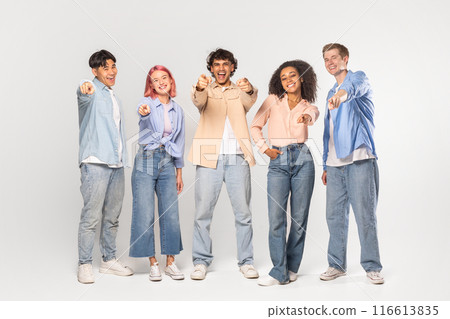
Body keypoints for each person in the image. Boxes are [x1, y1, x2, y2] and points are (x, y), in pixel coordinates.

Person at [188, 48, 259, 280]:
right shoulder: (205, 89)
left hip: (238, 157)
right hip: (209, 156)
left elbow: (251, 99)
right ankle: (200, 261)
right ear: (211, 68)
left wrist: (249, 88)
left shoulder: (239, 91)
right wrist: (199, 86)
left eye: (225, 64)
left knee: (243, 213)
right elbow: (197, 100)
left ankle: (246, 261)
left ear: (232, 67)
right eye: (217, 64)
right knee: (202, 213)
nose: (221, 68)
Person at [251, 60, 319, 286]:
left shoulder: (307, 105)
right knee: (276, 219)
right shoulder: (272, 101)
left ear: (302, 79)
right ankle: (278, 270)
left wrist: (308, 117)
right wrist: (264, 149)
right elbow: (255, 126)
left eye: (292, 76)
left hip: (303, 159)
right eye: (284, 78)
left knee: (299, 219)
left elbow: (313, 112)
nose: (288, 80)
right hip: (278, 160)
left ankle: (291, 267)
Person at [320, 43, 383, 284]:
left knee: (365, 215)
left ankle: (372, 266)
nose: (330, 62)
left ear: (345, 58)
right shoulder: (329, 93)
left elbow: (352, 89)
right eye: (326, 59)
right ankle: (336, 265)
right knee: (334, 217)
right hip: (335, 164)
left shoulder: (358, 78)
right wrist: (326, 164)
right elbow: (329, 131)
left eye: (334, 57)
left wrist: (340, 96)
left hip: (359, 160)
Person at [77, 50, 134, 284]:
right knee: (90, 217)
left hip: (116, 163)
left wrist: (121, 159)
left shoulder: (113, 96)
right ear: (95, 72)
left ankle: (108, 260)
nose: (111, 71)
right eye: (105, 67)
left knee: (112, 216)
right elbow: (83, 93)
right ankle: (84, 264)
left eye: (113, 66)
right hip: (95, 163)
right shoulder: (91, 91)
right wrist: (84, 86)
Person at [129, 65, 185, 281]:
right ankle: (153, 263)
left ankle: (170, 262)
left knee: (170, 212)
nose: (161, 82)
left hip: (168, 161)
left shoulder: (177, 110)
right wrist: (143, 112)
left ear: (171, 81)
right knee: (144, 211)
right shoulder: (147, 104)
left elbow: (178, 142)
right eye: (155, 80)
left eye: (164, 78)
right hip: (146, 159)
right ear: (150, 85)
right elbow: (142, 113)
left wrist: (179, 173)